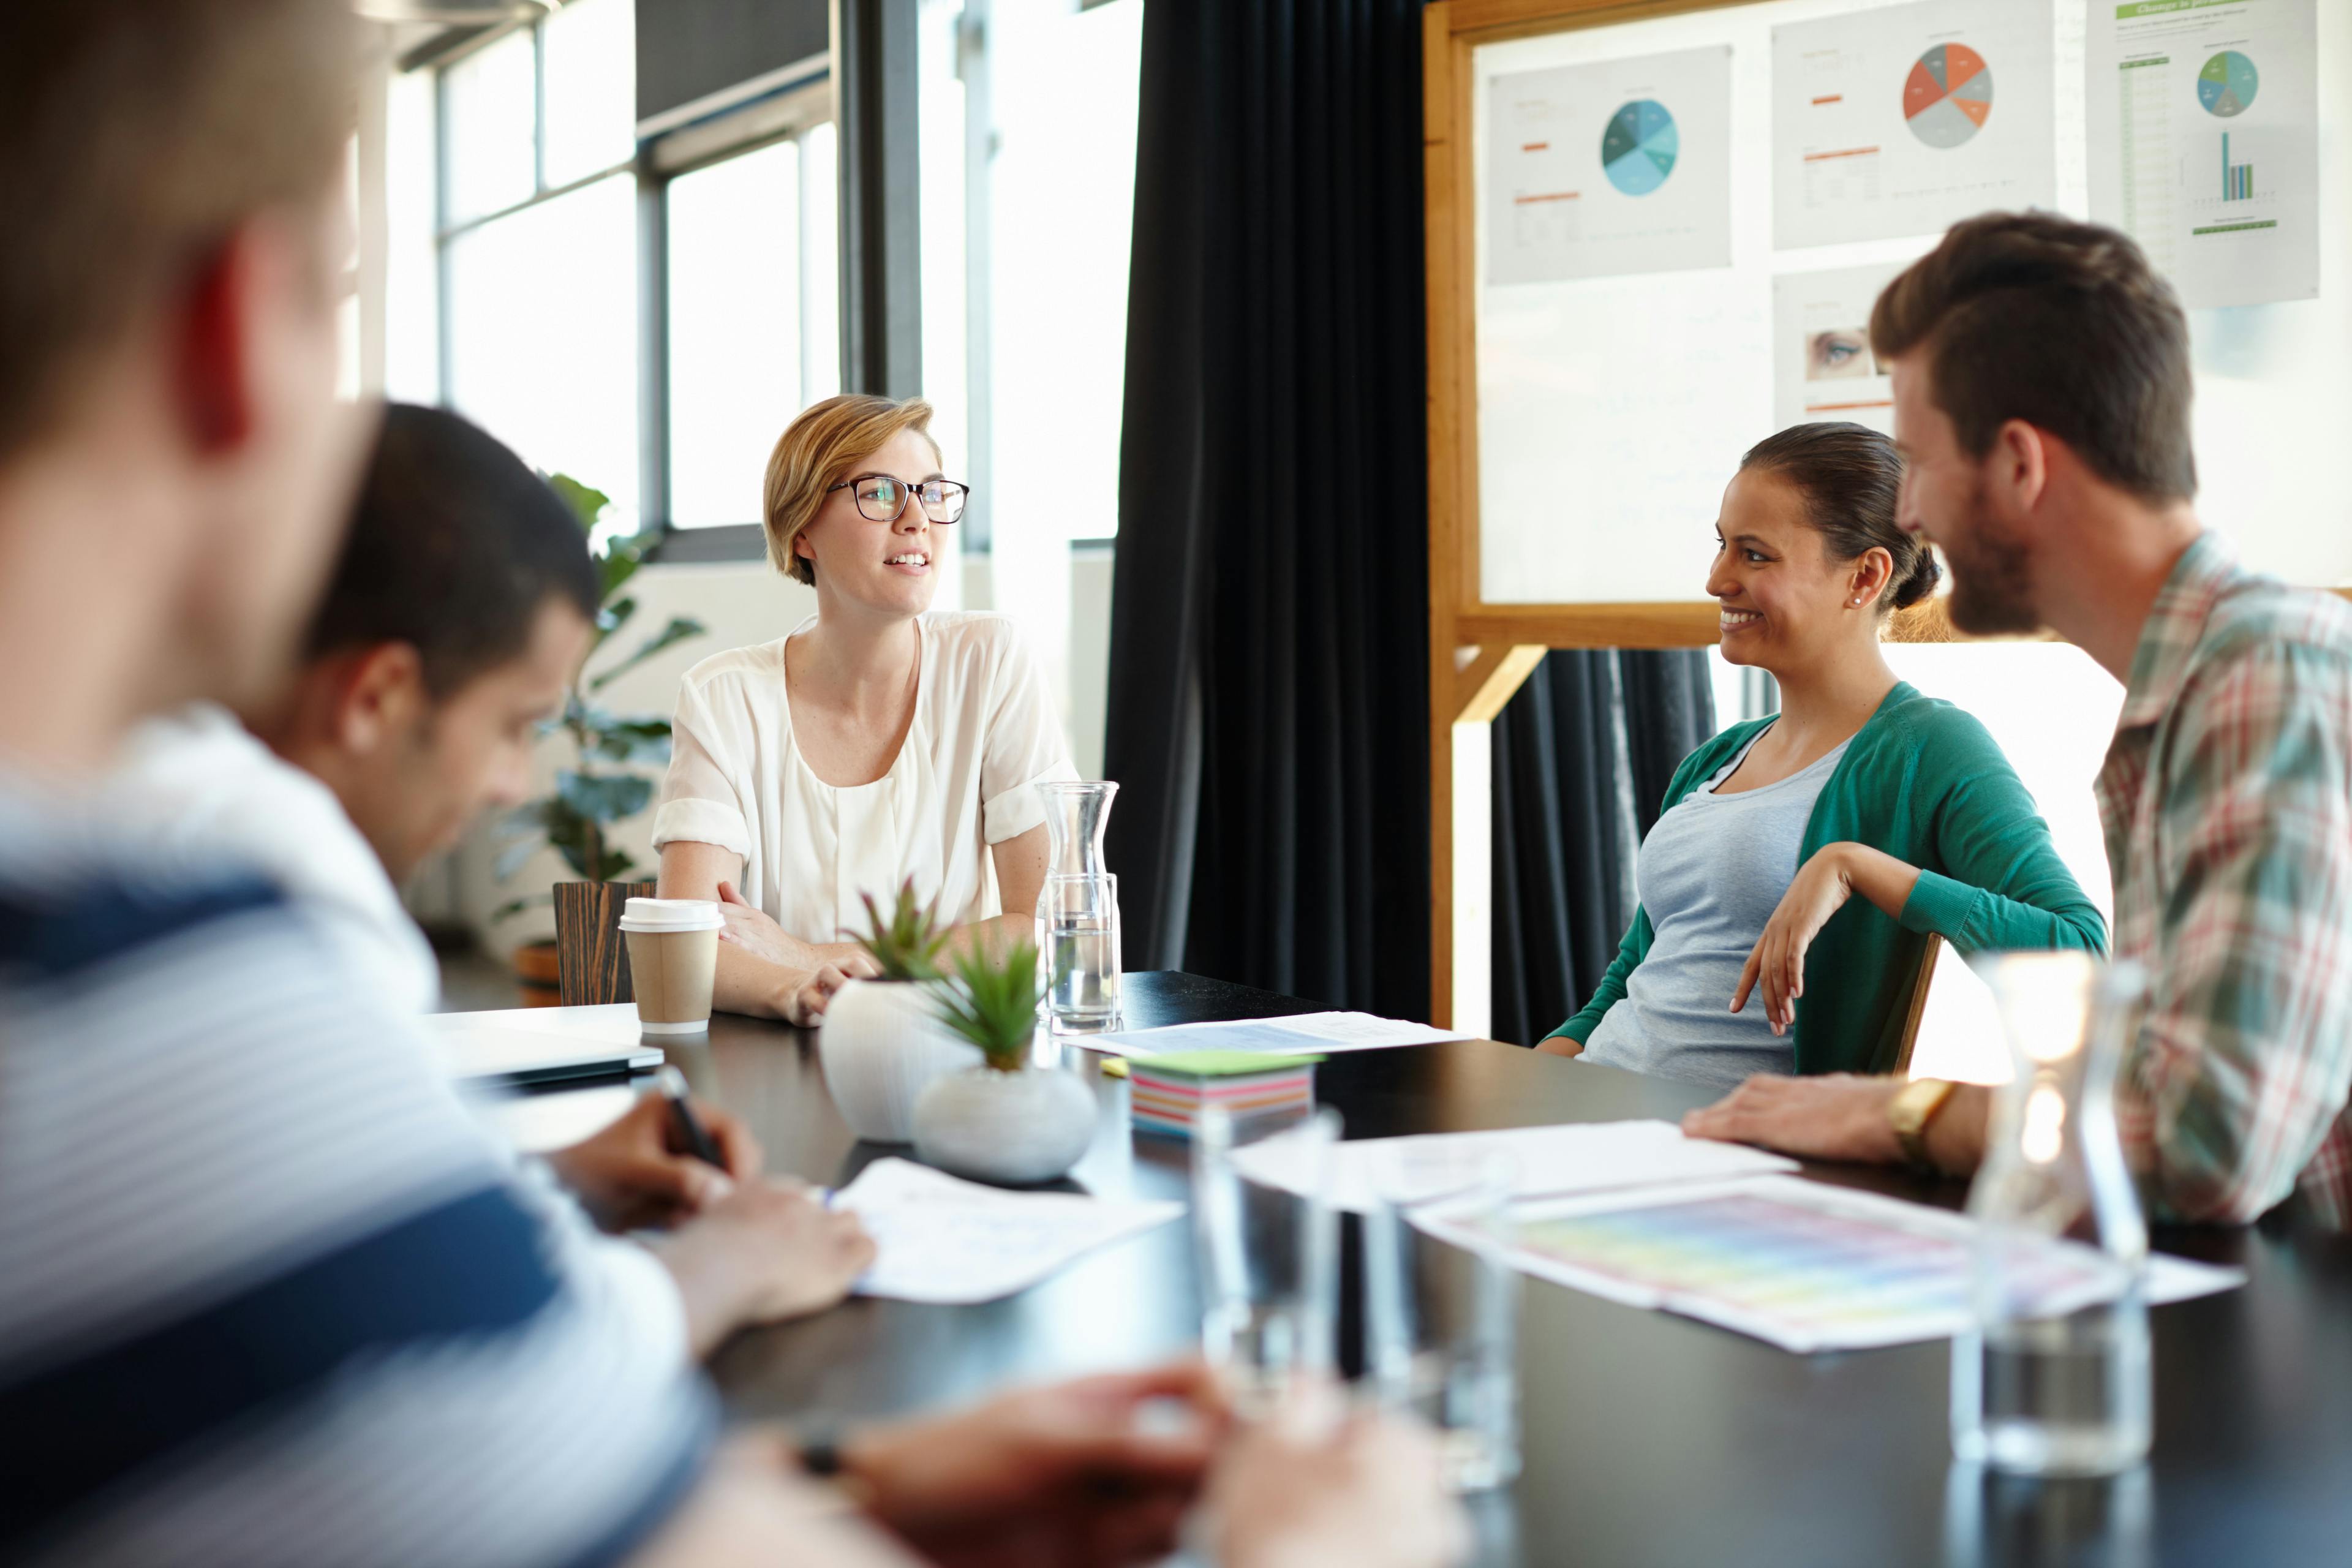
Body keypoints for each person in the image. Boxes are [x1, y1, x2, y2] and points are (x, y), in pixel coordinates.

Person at [0, 6, 1463, 1566]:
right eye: (341, 298)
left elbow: (460, 1472)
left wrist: (860, 1474)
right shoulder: (156, 974)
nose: (915, 519)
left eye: (931, 489)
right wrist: (1321, 1542)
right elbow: (702, 935)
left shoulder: (134, 956)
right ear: (243, 319)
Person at [107, 401, 869, 1357]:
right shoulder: (267, 879)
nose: (513, 784)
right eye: (515, 726)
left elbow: (284, 1195)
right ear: (378, 696)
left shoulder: (144, 790)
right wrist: (733, 1262)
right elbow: (479, 1343)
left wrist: (545, 1168)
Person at [1685, 213, 2352, 1227]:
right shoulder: (2198, 689)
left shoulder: (2266, 678)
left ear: (2019, 465)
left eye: (1917, 461)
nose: (1908, 516)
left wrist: (1896, 1115)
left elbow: (2201, 1146)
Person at [1537, 422, 2104, 1088]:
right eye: (1722, 546)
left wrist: (1855, 866)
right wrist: (1531, 1075)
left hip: (1731, 1149)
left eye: (1755, 555)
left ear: (1864, 576)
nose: (1718, 579)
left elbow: (2079, 954)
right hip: (1601, 1105)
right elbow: (1645, 965)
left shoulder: (1932, 748)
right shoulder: (1716, 758)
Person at [652, 394, 1076, 1023]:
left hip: (952, 1054)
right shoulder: (725, 697)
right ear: (802, 530)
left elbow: (1051, 928)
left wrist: (812, 955)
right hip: (773, 1068)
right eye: (879, 493)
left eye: (932, 493)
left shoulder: (991, 660)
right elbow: (688, 943)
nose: (916, 519)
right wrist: (796, 989)